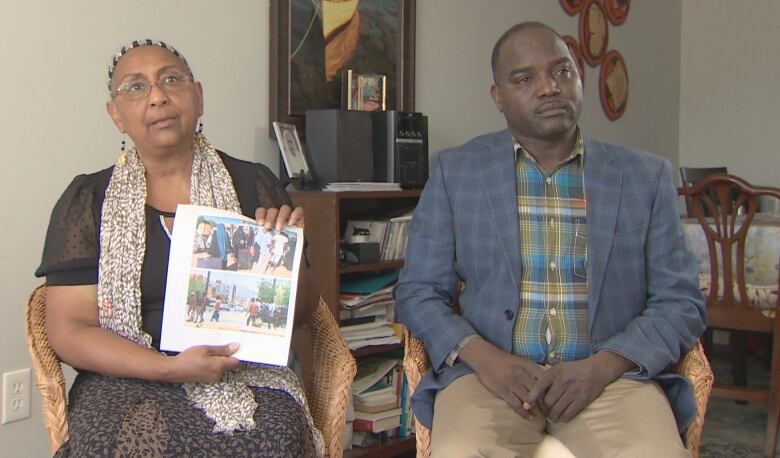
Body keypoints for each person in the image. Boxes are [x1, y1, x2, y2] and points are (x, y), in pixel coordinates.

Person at [394, 22, 706, 457]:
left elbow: (681, 301)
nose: (549, 88)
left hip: (611, 382)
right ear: (498, 96)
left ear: (579, 78)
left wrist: (603, 366)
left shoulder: (644, 177)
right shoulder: (456, 173)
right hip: (490, 382)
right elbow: (418, 293)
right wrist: (484, 358)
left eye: (562, 72)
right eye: (525, 79)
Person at [35, 39, 323, 457]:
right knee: (119, 444)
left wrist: (284, 260)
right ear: (116, 116)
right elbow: (69, 330)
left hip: (244, 374)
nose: (157, 96)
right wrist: (170, 369)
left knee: (274, 439)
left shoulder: (253, 184)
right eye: (135, 87)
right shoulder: (88, 201)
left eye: (171, 79)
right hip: (123, 378)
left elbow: (305, 308)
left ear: (198, 97)